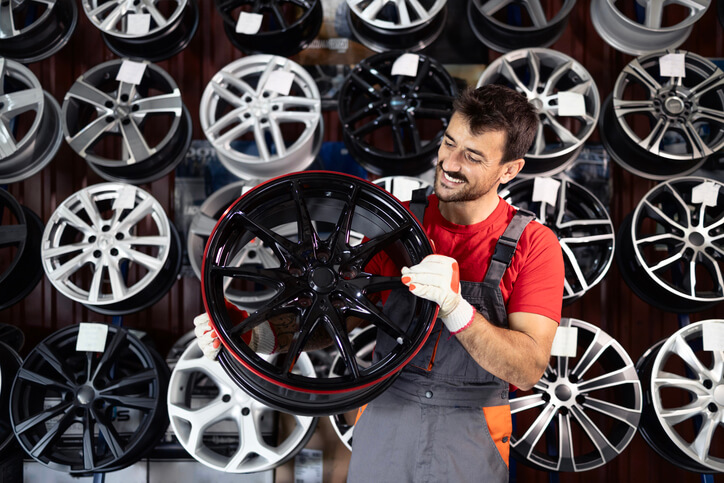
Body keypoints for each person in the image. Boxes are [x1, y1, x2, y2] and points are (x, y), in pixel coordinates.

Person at [195, 84, 565, 482]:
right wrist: (252, 335)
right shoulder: (396, 225)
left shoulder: (533, 245)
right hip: (387, 416)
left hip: (472, 431)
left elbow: (527, 369)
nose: (450, 163)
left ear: (510, 169)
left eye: (472, 156)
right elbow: (339, 318)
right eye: (449, 143)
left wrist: (457, 309)